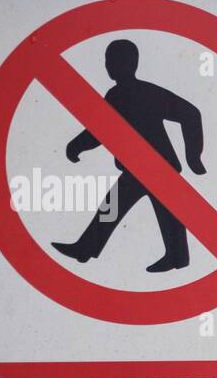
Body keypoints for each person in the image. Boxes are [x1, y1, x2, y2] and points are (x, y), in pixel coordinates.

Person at [52, 39, 205, 273]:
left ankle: (176, 257)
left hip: (157, 168)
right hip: (139, 168)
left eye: (113, 61)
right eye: (107, 61)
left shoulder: (143, 92)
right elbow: (101, 129)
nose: (108, 66)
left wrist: (194, 157)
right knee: (120, 208)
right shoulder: (116, 94)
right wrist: (77, 146)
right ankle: (175, 257)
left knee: (153, 212)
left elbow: (190, 114)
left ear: (130, 64)